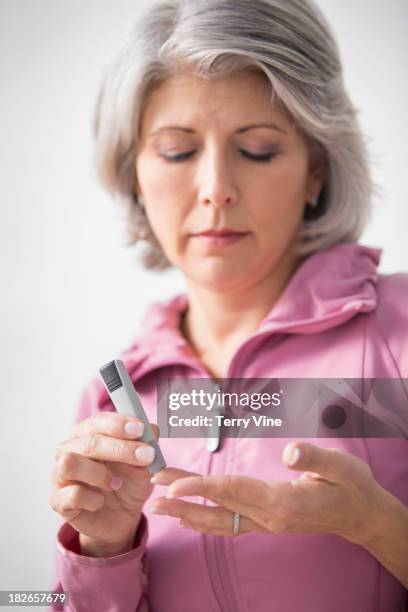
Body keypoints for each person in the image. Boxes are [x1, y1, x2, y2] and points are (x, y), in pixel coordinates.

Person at [48, 1, 408, 610]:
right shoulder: (115, 402)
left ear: (315, 170)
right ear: (134, 173)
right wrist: (104, 548)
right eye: (177, 152)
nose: (216, 189)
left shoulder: (397, 337)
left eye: (260, 150)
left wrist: (376, 524)